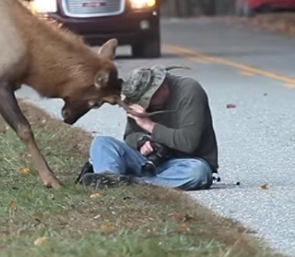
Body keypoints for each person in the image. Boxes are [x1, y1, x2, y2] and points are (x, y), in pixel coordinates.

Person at [77, 65, 219, 190]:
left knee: (198, 173)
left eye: (147, 101)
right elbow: (129, 136)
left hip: (184, 162)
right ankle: (108, 177)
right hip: (149, 161)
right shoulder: (137, 100)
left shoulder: (189, 90)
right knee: (103, 143)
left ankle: (132, 182)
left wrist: (149, 125)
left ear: (160, 88)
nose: (147, 107)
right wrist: (142, 141)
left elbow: (188, 142)